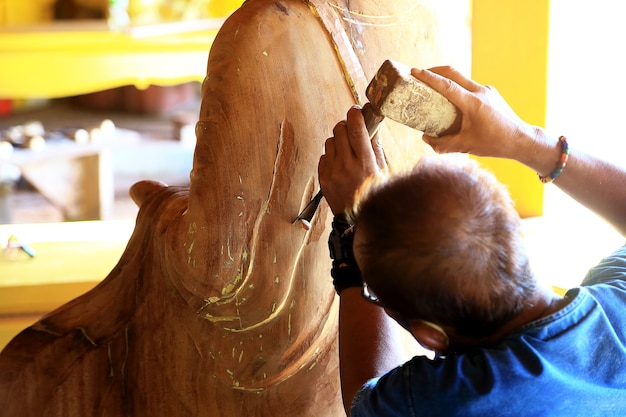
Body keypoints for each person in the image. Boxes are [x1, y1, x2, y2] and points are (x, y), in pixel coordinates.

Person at [318, 65, 626, 416]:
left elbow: (363, 397)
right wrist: (523, 139)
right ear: (515, 236)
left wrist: (349, 245)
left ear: (430, 335)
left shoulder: (459, 401)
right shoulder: (617, 311)